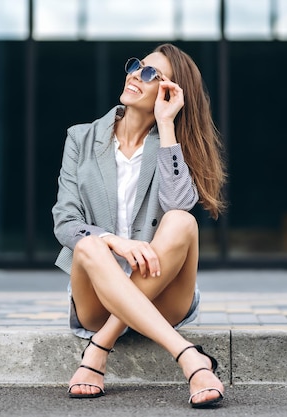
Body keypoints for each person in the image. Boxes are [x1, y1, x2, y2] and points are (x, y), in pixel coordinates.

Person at [52, 43, 227, 408]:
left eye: (151, 74)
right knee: (88, 244)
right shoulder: (80, 138)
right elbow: (66, 222)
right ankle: (190, 358)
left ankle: (99, 347)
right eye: (137, 66)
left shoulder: (172, 145)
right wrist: (116, 242)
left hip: (164, 294)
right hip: (95, 295)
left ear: (170, 93)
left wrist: (166, 125)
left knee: (181, 221)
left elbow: (179, 205)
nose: (135, 75)